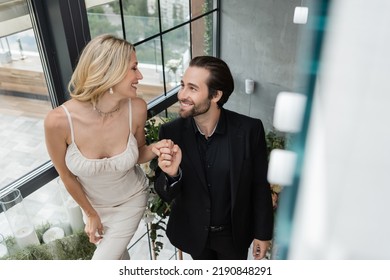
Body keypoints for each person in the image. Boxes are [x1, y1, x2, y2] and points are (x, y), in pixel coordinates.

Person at [44, 34, 171, 260]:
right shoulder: (58, 122)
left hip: (131, 201)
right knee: (118, 258)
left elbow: (139, 152)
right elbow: (66, 176)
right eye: (134, 68)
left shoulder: (137, 108)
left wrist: (156, 148)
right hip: (93, 209)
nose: (140, 76)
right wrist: (90, 213)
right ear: (110, 70)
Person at [152, 56, 274, 260]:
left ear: (216, 95)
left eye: (192, 88)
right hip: (194, 236)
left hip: (234, 237)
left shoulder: (250, 130)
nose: (181, 94)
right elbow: (164, 192)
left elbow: (259, 184)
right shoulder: (171, 132)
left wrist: (263, 233)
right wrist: (172, 175)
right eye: (183, 85)